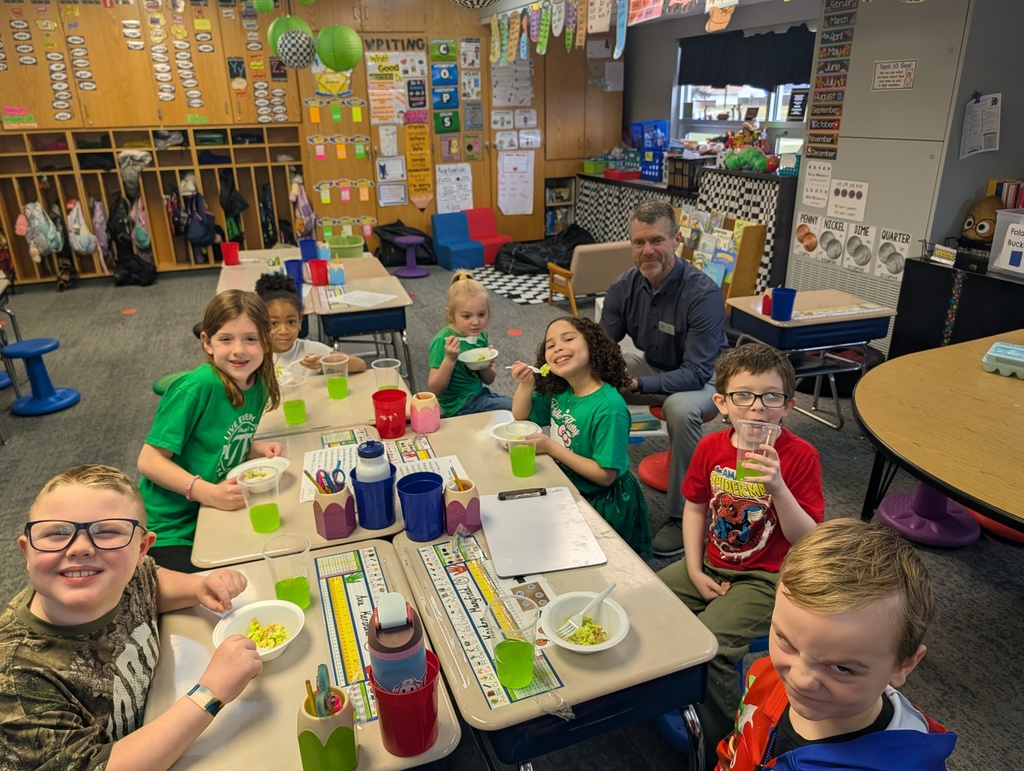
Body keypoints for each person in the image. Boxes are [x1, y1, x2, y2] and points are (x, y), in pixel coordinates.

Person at [0, 464, 263, 770]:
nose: (81, 548)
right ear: (27, 551)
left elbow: (153, 582)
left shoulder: (125, 577)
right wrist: (210, 693)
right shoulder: (15, 679)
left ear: (141, 550)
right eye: (57, 533)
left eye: (108, 532)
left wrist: (198, 586)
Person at [657, 343, 825, 766]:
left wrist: (778, 489)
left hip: (767, 577)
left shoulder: (801, 457)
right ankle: (664, 692)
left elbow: (811, 539)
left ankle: (726, 748)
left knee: (712, 645)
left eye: (770, 396)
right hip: (713, 561)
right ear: (721, 403)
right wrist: (694, 569)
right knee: (647, 604)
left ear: (788, 406)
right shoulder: (712, 447)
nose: (757, 408)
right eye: (743, 396)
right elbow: (695, 506)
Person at [716, 518, 957, 770]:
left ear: (903, 665)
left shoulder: (906, 764)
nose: (800, 679)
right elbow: (736, 743)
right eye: (786, 642)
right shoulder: (764, 676)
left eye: (842, 668)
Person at [600, 199, 729, 557]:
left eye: (657, 240)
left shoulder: (702, 294)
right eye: (639, 242)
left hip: (705, 380)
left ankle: (683, 513)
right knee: (597, 375)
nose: (648, 250)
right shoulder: (623, 286)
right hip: (655, 367)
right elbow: (599, 346)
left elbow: (697, 372)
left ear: (677, 239)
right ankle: (593, 477)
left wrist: (641, 386)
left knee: (679, 409)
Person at [137, 290, 283, 573]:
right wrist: (207, 493)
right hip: (167, 527)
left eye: (250, 339)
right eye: (226, 339)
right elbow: (148, 461)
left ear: (265, 341)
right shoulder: (198, 387)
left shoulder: (257, 382)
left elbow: (215, 438)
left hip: (211, 511)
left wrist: (252, 448)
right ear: (208, 343)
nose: (239, 350)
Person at [510, 316, 652, 558]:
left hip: (604, 501)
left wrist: (552, 448)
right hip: (569, 484)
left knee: (606, 561)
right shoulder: (561, 390)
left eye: (568, 339)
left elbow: (604, 476)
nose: (558, 348)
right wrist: (525, 385)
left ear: (592, 346)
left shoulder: (610, 408)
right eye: (550, 345)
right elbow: (522, 417)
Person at [428, 271, 512, 417]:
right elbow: (435, 390)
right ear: (450, 314)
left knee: (521, 403)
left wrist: (486, 362)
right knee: (517, 409)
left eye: (481, 314)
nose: (476, 322)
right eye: (467, 316)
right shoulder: (442, 341)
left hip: (479, 394)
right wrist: (449, 359)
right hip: (459, 405)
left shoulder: (481, 335)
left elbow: (489, 379)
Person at [254, 272, 367, 378]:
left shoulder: (309, 350)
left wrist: (324, 362)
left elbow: (360, 365)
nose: (284, 331)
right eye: (274, 323)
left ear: (300, 321)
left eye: (291, 322)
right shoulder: (255, 354)